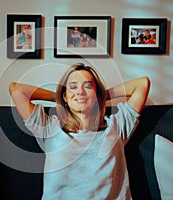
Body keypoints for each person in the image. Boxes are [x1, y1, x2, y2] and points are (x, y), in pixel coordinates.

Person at [9, 63, 150, 199]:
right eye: (73, 87)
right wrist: (62, 97)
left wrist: (98, 96)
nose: (80, 91)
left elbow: (142, 84)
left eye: (88, 86)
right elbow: (16, 90)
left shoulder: (116, 126)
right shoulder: (49, 128)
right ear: (64, 96)